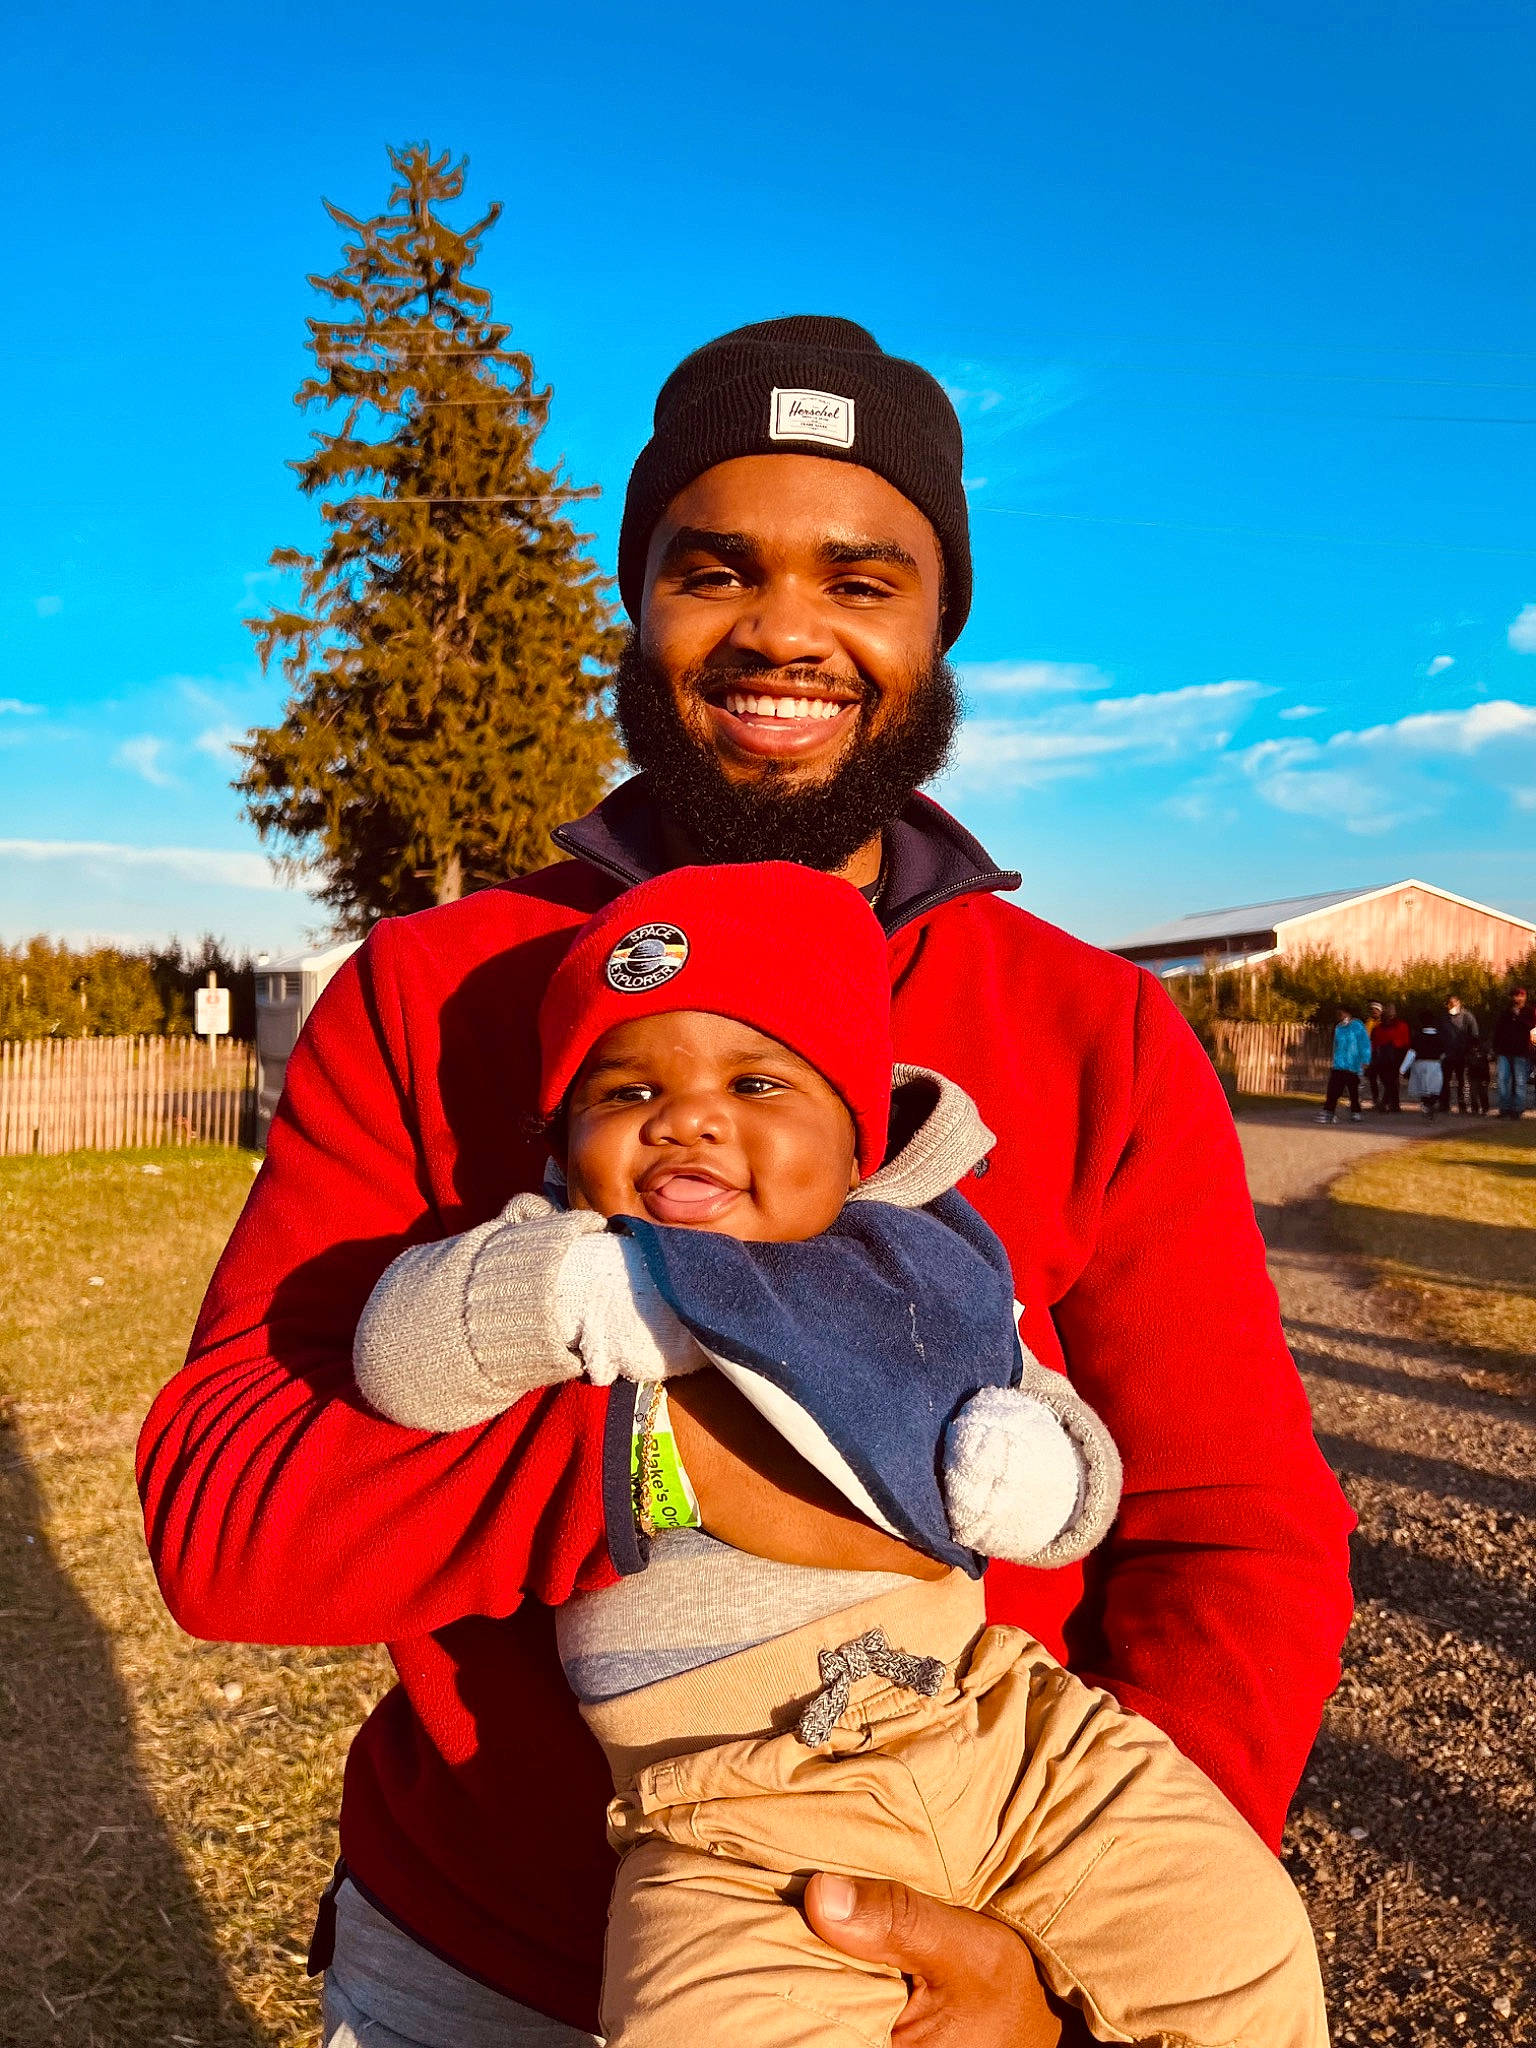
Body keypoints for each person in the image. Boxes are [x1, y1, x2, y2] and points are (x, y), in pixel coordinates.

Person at [137, 316, 1354, 2047]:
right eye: (716, 569)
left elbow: (1236, 1530)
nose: (786, 629)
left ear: (940, 627)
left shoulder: (1089, 1030)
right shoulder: (434, 990)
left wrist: (1048, 1969)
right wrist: (701, 1451)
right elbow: (228, 1520)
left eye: (864, 578)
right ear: (638, 601)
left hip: (958, 1946)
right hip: (476, 1963)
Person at [353, 862, 1327, 2048]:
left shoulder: (920, 1265)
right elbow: (401, 1353)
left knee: (1240, 1939)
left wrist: (1033, 1469)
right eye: (624, 1090)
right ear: (562, 1145)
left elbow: (1092, 1449)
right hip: (729, 1811)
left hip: (1005, 1728)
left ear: (863, 1138)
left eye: (756, 1081)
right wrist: (583, 1296)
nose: (688, 1114)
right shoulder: (556, 1249)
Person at [1317, 1002, 1370, 1123]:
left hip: (1353, 1065)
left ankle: (1355, 1111)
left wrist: (1365, 1060)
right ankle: (1329, 1110)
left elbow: (1364, 1043)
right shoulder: (1339, 1028)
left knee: (1353, 1090)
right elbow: (1336, 1045)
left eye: (1341, 1012)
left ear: (1348, 1013)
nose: (1339, 1015)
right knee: (1333, 1089)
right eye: (1338, 1013)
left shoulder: (1357, 1025)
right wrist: (1334, 1060)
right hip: (1339, 1064)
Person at [1494, 987, 1535, 1119]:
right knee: (1502, 1080)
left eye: (1521, 996)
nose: (1518, 998)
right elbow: (1498, 1030)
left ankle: (1517, 1109)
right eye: (1516, 996)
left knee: (1519, 1081)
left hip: (1521, 1052)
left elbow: (1531, 1028)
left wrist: (1519, 1017)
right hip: (1504, 1051)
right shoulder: (1506, 1012)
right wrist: (1495, 1048)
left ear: (1525, 997)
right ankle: (1504, 1108)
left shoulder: (1530, 1012)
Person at [1439, 994, 1479, 1114]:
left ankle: (1463, 1105)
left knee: (1463, 1081)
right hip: (1447, 1055)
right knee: (1444, 1081)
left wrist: (1471, 1051)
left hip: (1463, 1055)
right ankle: (1444, 1104)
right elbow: (1439, 1036)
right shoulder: (1444, 1018)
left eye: (1453, 1003)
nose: (1451, 1006)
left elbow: (1474, 1034)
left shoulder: (1467, 1016)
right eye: (1449, 1004)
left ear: (1459, 1003)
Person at [1370, 1002, 1410, 1113]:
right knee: (1390, 1081)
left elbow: (1405, 1043)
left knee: (1391, 1081)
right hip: (1385, 1057)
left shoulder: (1400, 1026)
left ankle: (1388, 1103)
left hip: (1395, 1056)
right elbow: (1374, 1044)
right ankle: (1392, 1104)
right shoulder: (1379, 1028)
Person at [1402, 1017, 1445, 1118]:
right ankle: (1431, 1104)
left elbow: (1411, 1053)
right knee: (1434, 1088)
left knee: (1423, 1088)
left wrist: (1403, 1068)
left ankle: (1426, 1105)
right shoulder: (1439, 1037)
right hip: (1435, 1065)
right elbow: (1443, 1053)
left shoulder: (1418, 1036)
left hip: (1420, 1065)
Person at [1365, 999, 1385, 1107]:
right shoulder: (1368, 1023)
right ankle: (1376, 1099)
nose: (1374, 1012)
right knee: (1372, 1078)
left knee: (1384, 1078)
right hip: (1371, 1054)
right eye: (1372, 1010)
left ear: (1380, 1011)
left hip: (1382, 1053)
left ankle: (1385, 1100)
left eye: (1376, 1010)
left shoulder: (1383, 1023)